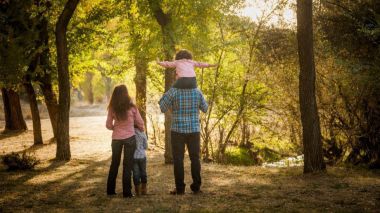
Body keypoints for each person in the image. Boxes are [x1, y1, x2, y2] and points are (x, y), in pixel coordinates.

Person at [159, 86, 208, 195]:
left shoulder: (173, 91)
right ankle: (196, 187)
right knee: (195, 159)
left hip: (178, 130)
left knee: (178, 160)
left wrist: (165, 95)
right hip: (194, 130)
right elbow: (205, 108)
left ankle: (180, 189)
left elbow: (162, 107)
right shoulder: (197, 91)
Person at [106, 85, 145, 198]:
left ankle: (110, 190)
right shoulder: (132, 107)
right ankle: (127, 193)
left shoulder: (112, 108)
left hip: (116, 139)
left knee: (114, 164)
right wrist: (139, 129)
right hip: (130, 138)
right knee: (127, 165)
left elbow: (108, 125)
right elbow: (141, 123)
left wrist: (115, 128)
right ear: (126, 94)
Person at [133, 127, 148, 196]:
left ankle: (137, 191)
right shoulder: (142, 133)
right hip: (142, 156)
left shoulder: (130, 133)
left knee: (135, 174)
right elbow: (146, 146)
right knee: (143, 172)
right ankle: (144, 190)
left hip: (133, 157)